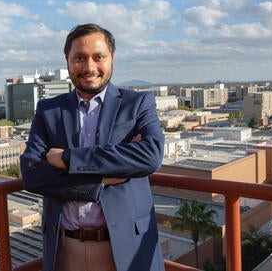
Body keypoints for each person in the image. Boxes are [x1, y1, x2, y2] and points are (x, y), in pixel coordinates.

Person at [20, 23, 165, 271]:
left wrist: (69, 158)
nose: (89, 67)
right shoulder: (48, 110)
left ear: (111, 58)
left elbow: (151, 156)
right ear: (67, 61)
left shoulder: (138, 103)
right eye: (79, 58)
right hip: (65, 250)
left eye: (98, 57)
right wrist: (100, 181)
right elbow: (32, 175)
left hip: (126, 248)